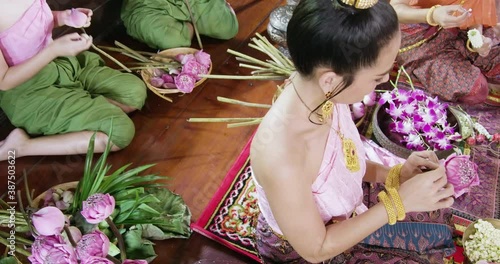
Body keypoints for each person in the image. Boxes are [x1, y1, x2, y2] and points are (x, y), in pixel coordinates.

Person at [250, 0, 456, 262]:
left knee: (437, 215)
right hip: (311, 247)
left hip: (345, 204)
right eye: (378, 76)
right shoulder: (282, 156)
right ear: (331, 80)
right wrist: (398, 202)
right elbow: (316, 249)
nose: (384, 82)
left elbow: (345, 156)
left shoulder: (323, 92)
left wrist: (397, 174)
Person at [0, 0, 147, 161]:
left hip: (58, 65)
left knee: (134, 93)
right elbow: (5, 81)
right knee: (119, 133)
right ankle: (21, 147)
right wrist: (53, 50)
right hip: (28, 91)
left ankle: (85, 105)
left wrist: (63, 17)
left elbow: (32, 24)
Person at [391, 0, 500, 105]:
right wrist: (432, 15)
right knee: (477, 90)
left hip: (458, 30)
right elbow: (394, 9)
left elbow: (474, 10)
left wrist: (477, 41)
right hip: (421, 38)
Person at [120, 0, 239, 50]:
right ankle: (186, 27)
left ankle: (185, 25)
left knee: (227, 28)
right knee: (170, 39)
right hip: (150, 5)